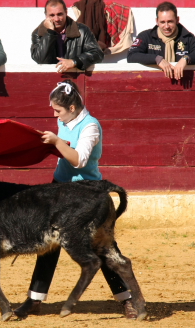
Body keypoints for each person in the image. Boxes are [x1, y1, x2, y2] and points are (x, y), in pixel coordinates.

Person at [13, 79, 145, 320]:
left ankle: (126, 298)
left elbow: (78, 160)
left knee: (102, 247)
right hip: (60, 191)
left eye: (58, 110)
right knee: (48, 244)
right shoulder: (63, 121)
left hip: (87, 196)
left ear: (72, 108)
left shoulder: (90, 127)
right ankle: (34, 299)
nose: (55, 115)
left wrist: (56, 142)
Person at [127, 1, 195, 80]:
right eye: (162, 22)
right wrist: (156, 59)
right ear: (157, 21)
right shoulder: (146, 36)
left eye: (170, 21)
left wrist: (186, 58)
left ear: (177, 20)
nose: (166, 26)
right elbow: (131, 56)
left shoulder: (187, 37)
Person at [31, 0, 104, 73]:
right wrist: (50, 33)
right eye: (52, 15)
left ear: (66, 12)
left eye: (60, 14)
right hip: (51, 77)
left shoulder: (82, 30)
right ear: (46, 16)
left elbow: (97, 54)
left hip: (75, 76)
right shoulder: (38, 33)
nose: (56, 19)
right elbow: (40, 60)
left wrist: (74, 61)